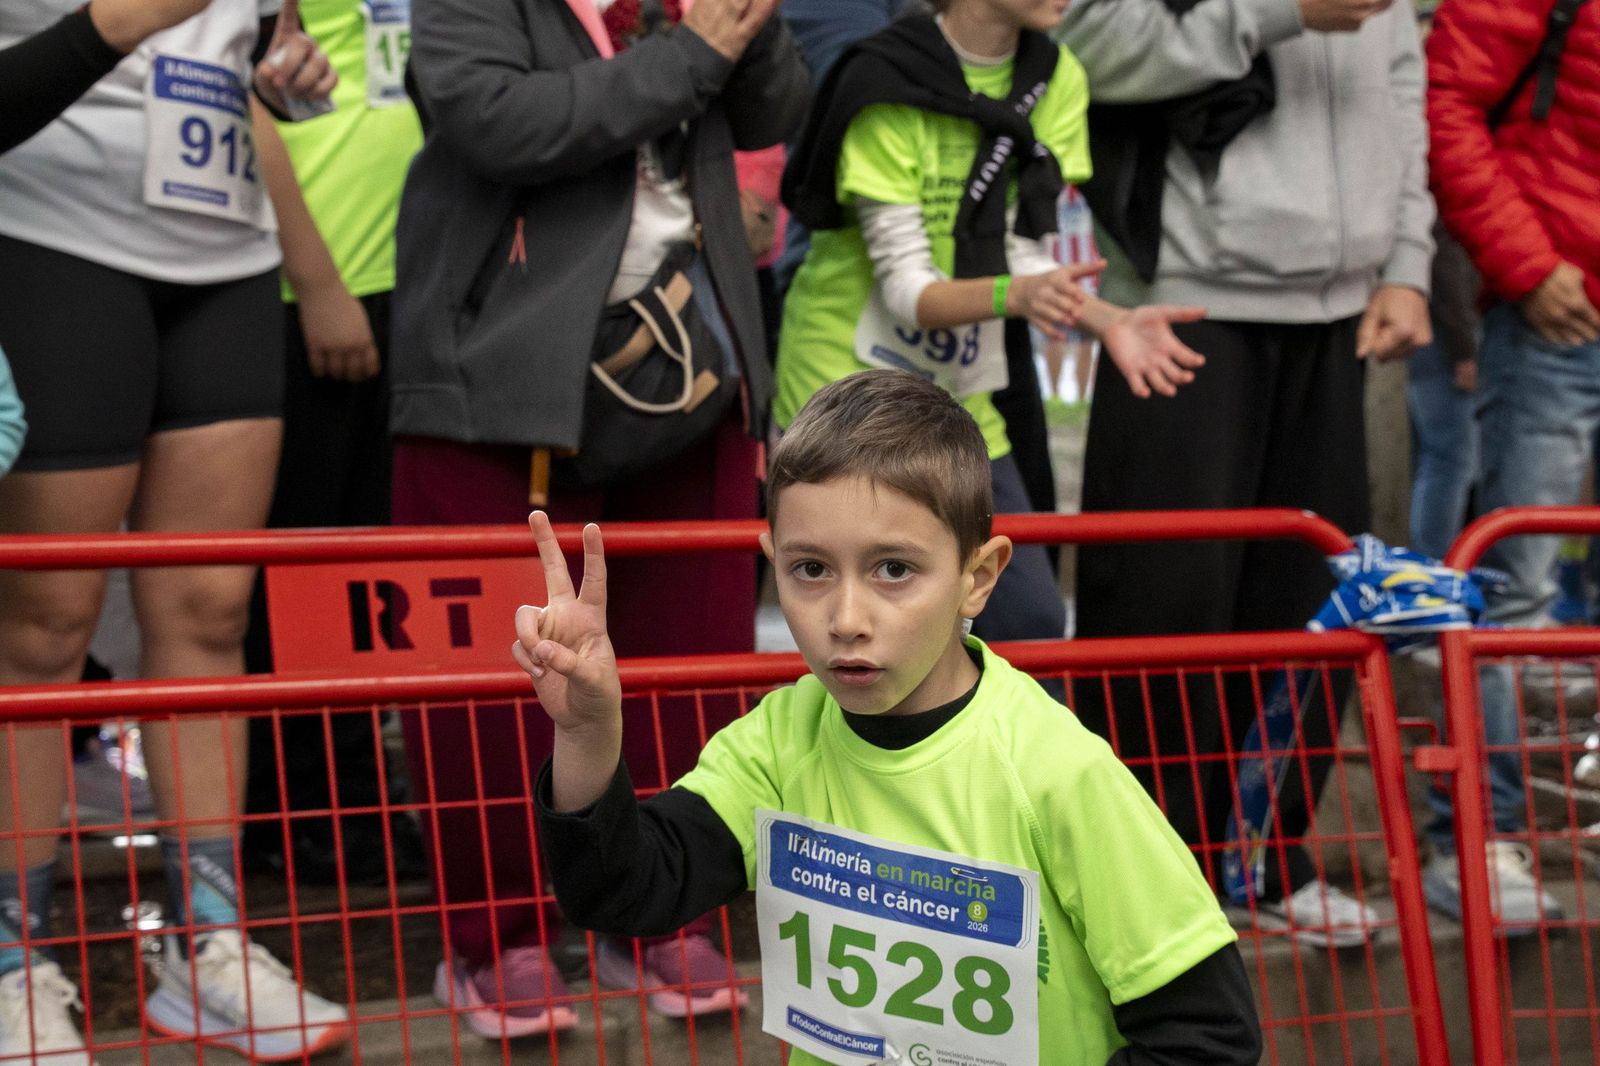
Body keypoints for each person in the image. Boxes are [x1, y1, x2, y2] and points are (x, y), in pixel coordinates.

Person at [523, 369, 1262, 1064]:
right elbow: (624, 890)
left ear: (978, 577)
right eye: (811, 570)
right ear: (773, 561)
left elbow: (1209, 1037)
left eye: (894, 570)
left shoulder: (1059, 772)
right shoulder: (778, 743)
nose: (846, 619)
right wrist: (587, 733)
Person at [391, 0, 809, 1034]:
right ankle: (497, 937)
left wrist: (740, 23)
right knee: (497, 675)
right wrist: (693, 52)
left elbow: (776, 109)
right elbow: (496, 121)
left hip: (694, 362)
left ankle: (664, 907)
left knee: (691, 659)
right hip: (499, 380)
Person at [0, 2, 349, 1062]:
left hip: (225, 251)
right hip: (47, 240)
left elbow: (258, 50)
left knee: (209, 610)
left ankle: (210, 943)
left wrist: (289, 67)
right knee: (42, 628)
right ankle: (12, 959)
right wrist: (116, 23)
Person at [1057, 0, 1435, 946]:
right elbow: (1082, 46)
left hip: (1343, 308)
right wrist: (1281, 12)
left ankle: (1263, 861)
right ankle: (1140, 876)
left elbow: (1403, 88)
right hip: (1183, 303)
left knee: (1310, 603)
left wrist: (1407, 263)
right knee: (1161, 603)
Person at [776, 0, 1209, 650]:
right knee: (873, 623)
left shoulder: (1056, 75)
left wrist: (1108, 319)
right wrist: (1020, 293)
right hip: (844, 384)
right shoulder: (884, 77)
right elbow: (908, 290)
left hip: (957, 387)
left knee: (1027, 618)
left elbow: (1022, 254)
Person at [240, 0, 427, 888]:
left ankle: (358, 802)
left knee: (370, 574)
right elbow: (241, 98)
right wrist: (316, 280)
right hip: (308, 286)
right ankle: (298, 816)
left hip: (408, 280)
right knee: (304, 576)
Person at [1423, 0, 1598, 925]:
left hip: (1555, 299)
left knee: (1515, 584)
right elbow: (1445, 100)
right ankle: (1478, 840)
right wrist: (1527, 265)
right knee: (1510, 587)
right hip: (1558, 314)